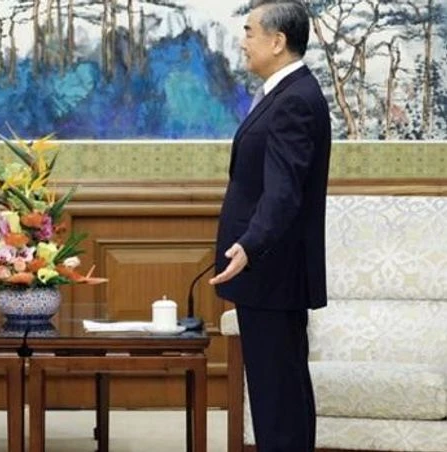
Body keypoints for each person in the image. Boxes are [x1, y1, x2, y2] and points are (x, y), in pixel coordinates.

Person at [209, 1, 331, 451]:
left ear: (277, 41)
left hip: (271, 270)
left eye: (249, 32)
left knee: (278, 399)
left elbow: (283, 192)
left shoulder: (294, 100)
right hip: (269, 272)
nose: (243, 42)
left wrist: (249, 245)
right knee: (281, 393)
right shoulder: (287, 93)